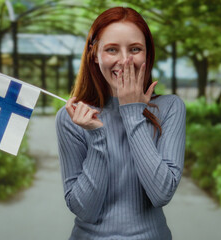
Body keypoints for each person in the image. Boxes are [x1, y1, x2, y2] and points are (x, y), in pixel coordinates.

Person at [55, 6, 186, 240]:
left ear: (147, 54)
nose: (124, 61)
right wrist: (96, 136)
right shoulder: (73, 117)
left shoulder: (170, 108)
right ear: (94, 55)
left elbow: (161, 194)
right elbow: (84, 209)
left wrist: (132, 111)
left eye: (135, 49)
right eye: (112, 49)